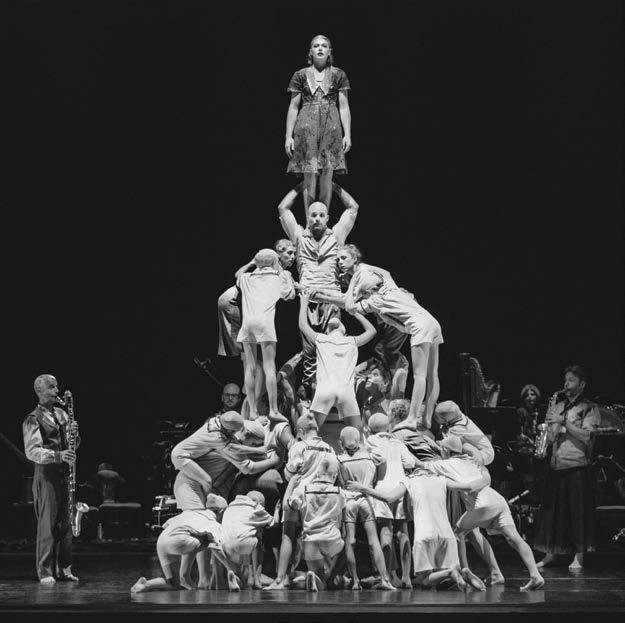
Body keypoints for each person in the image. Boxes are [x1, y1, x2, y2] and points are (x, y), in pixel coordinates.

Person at [421, 436, 544, 591]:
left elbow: (420, 464)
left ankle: (465, 571)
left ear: (446, 451)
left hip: (482, 504)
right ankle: (535, 575)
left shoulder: (444, 464)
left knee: (457, 533)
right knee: (514, 538)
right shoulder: (473, 462)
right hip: (498, 500)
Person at [346, 466, 481, 591]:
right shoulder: (441, 479)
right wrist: (485, 476)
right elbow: (469, 487)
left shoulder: (409, 480)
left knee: (425, 581)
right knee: (442, 580)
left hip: (425, 534)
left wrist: (362, 488)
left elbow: (389, 498)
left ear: (414, 472)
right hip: (447, 534)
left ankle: (451, 573)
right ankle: (462, 572)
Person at [277, 181, 359, 388]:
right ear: (308, 217)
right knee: (310, 352)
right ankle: (311, 392)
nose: (317, 218)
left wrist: (333, 185)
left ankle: (335, 389)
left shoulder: (336, 236)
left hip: (332, 299)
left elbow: (353, 208)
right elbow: (282, 208)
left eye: (321, 215)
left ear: (327, 218)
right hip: (309, 300)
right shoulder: (298, 237)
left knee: (333, 346)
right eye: (313, 215)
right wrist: (301, 185)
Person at [534, 365, 600, 571]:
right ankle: (550, 553)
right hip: (556, 465)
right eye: (565, 380)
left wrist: (564, 423)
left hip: (577, 465)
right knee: (553, 514)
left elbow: (588, 437)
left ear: (582, 384)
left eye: (571, 380)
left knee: (578, 514)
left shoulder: (590, 407)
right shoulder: (558, 405)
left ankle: (579, 556)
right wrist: (546, 433)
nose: (566, 384)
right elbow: (553, 436)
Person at [264, 414, 335, 590]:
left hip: (298, 494)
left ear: (301, 431)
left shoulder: (299, 446)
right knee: (315, 535)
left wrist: (289, 473)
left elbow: (290, 473)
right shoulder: (329, 448)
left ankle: (280, 580)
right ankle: (321, 577)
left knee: (288, 534)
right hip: (319, 497)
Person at [23, 374, 79, 584]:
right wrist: (58, 455)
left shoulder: (62, 415)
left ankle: (64, 568)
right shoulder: (32, 418)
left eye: (56, 387)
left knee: (66, 524)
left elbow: (73, 446)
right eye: (52, 387)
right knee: (48, 525)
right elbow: (32, 451)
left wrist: (75, 436)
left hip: (64, 474)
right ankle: (45, 571)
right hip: (47, 476)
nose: (57, 391)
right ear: (40, 391)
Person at [285, 35, 351, 212]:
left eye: (324, 45)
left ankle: (324, 221)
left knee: (327, 175)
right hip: (306, 127)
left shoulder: (339, 74)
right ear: (310, 52)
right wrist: (288, 136)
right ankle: (309, 221)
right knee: (309, 175)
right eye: (316, 46)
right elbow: (293, 106)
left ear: (329, 51)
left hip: (331, 127)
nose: (320, 48)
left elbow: (344, 106)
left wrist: (347, 134)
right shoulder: (300, 75)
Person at [298, 290, 377, 430]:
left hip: (325, 390)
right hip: (345, 391)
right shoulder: (351, 341)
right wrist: (353, 312)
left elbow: (303, 326)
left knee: (311, 432)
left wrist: (303, 303)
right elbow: (372, 331)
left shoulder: (322, 339)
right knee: (357, 433)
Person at [236, 248, 295, 420]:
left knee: (250, 368)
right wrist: (284, 275)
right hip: (265, 323)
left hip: (248, 323)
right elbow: (289, 295)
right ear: (274, 261)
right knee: (269, 367)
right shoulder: (280, 276)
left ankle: (253, 411)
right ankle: (273, 410)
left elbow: (237, 274)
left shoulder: (247, 278)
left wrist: (251, 263)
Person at [130, 494, 228, 593]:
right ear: (222, 512)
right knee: (208, 540)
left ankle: (146, 584)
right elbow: (216, 548)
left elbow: (166, 524)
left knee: (173, 583)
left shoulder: (190, 513)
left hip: (162, 541)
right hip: (177, 542)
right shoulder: (212, 522)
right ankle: (186, 577)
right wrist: (231, 568)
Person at [336, 426, 395, 591]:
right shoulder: (371, 457)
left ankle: (355, 581)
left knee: (350, 540)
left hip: (349, 501)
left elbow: (341, 483)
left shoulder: (340, 460)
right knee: (373, 540)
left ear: (341, 442)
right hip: (366, 500)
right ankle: (385, 579)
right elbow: (381, 469)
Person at [217, 239, 296, 359]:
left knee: (247, 344)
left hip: (238, 299)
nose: (293, 257)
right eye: (289, 253)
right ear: (278, 254)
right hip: (233, 300)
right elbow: (289, 292)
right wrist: (252, 262)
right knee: (242, 346)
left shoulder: (274, 268)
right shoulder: (271, 268)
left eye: (294, 253)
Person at [365, 413, 417, 588]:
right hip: (401, 487)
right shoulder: (397, 442)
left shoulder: (369, 441)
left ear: (370, 428)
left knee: (386, 531)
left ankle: (387, 578)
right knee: (403, 532)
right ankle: (406, 577)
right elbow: (410, 463)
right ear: (388, 427)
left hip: (382, 488)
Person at [287, 455, 345, 591]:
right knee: (347, 547)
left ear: (317, 474)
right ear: (335, 475)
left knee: (320, 580)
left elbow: (287, 506)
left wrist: (291, 484)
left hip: (311, 541)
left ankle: (314, 577)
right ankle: (330, 578)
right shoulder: (339, 492)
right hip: (332, 540)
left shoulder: (303, 490)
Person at [213, 491, 275, 590]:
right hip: (244, 545)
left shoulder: (229, 507)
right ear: (258, 502)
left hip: (226, 549)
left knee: (244, 534)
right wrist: (277, 511)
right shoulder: (255, 507)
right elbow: (274, 522)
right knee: (258, 537)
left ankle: (234, 579)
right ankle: (257, 580)